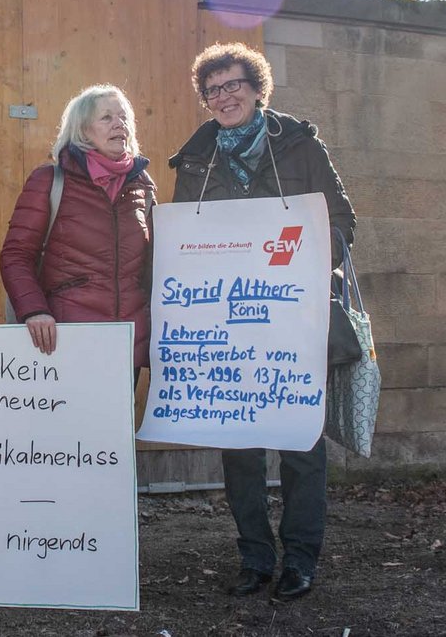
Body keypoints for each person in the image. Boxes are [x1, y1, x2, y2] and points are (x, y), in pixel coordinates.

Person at [169, 43, 356, 601]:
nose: (224, 97)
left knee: (302, 445)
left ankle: (300, 559)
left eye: (233, 85)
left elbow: (341, 221)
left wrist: (307, 255)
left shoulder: (299, 144)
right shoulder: (196, 158)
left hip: (295, 318)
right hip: (227, 324)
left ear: (256, 89)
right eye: (213, 90)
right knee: (240, 448)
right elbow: (181, 237)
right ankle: (254, 557)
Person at [0, 84, 155, 370]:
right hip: (65, 341)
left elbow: (153, 268)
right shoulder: (50, 181)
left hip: (128, 345)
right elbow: (16, 255)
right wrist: (34, 311)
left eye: (123, 117)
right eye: (106, 118)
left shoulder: (142, 188)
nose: (119, 124)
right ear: (82, 131)